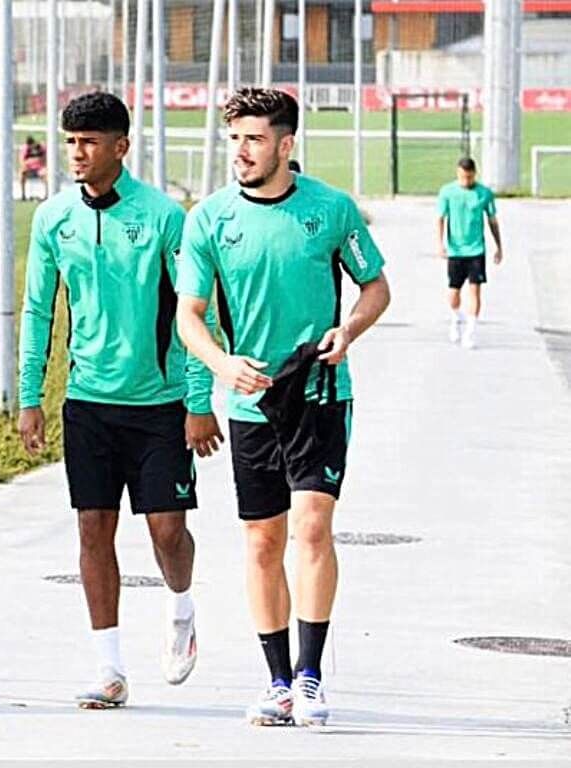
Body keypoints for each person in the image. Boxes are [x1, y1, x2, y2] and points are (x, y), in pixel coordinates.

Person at [175, 87, 391, 727]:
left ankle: (311, 675)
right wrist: (221, 364)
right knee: (263, 541)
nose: (240, 151)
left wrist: (348, 331)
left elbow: (375, 285)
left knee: (312, 528)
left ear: (286, 144)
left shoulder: (330, 210)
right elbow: (189, 315)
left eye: (254, 139)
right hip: (251, 404)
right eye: (235, 139)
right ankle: (276, 682)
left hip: (322, 395)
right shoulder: (209, 219)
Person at [17, 91, 222, 709]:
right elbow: (37, 310)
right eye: (70, 142)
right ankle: (109, 668)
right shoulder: (53, 219)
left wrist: (198, 399)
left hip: (159, 405)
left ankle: (182, 607)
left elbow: (194, 311)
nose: (76, 154)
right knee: (92, 528)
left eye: (89, 143)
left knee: (166, 532)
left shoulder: (164, 217)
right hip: (88, 402)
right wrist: (30, 396)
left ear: (121, 146)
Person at [437, 157, 502, 349]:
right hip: (456, 250)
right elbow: (440, 218)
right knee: (453, 292)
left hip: (476, 250)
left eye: (470, 177)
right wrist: (440, 245)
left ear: (475, 174)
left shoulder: (484, 194)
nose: (466, 180)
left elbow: (492, 220)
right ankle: (456, 316)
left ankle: (470, 331)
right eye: (463, 177)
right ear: (458, 174)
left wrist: (499, 246)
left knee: (475, 289)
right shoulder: (447, 192)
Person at [21, 136, 47, 200]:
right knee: (22, 174)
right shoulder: (26, 149)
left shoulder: (41, 147)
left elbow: (44, 159)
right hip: (29, 169)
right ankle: (23, 195)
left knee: (46, 175)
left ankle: (47, 194)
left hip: (39, 168)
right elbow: (22, 161)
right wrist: (26, 166)